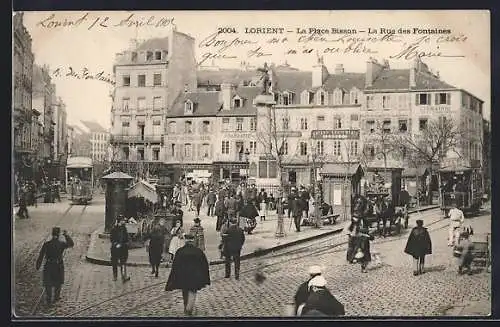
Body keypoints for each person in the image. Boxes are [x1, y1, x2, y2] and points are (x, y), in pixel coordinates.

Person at [165, 233, 211, 316]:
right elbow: (204, 265)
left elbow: (175, 265)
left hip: (183, 276)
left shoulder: (180, 251)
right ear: (193, 240)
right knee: (193, 291)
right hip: (194, 276)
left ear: (185, 240)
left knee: (185, 291)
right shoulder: (198, 251)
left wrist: (174, 277)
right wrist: (205, 277)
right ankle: (189, 308)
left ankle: (186, 306)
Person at [35, 227, 74, 305]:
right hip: (58, 265)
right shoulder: (61, 244)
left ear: (52, 234)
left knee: (48, 282)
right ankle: (56, 297)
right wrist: (66, 235)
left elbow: (41, 255)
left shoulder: (47, 244)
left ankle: (48, 298)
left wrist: (38, 265)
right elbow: (71, 244)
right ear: (59, 234)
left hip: (49, 265)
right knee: (58, 282)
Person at [110, 215, 131, 282]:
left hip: (123, 248)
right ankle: (115, 276)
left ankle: (123, 276)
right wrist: (116, 244)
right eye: (123, 220)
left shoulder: (124, 228)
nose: (124, 221)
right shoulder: (114, 229)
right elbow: (112, 239)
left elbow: (126, 238)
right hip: (115, 249)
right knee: (114, 263)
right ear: (119, 221)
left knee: (123, 262)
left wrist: (126, 244)